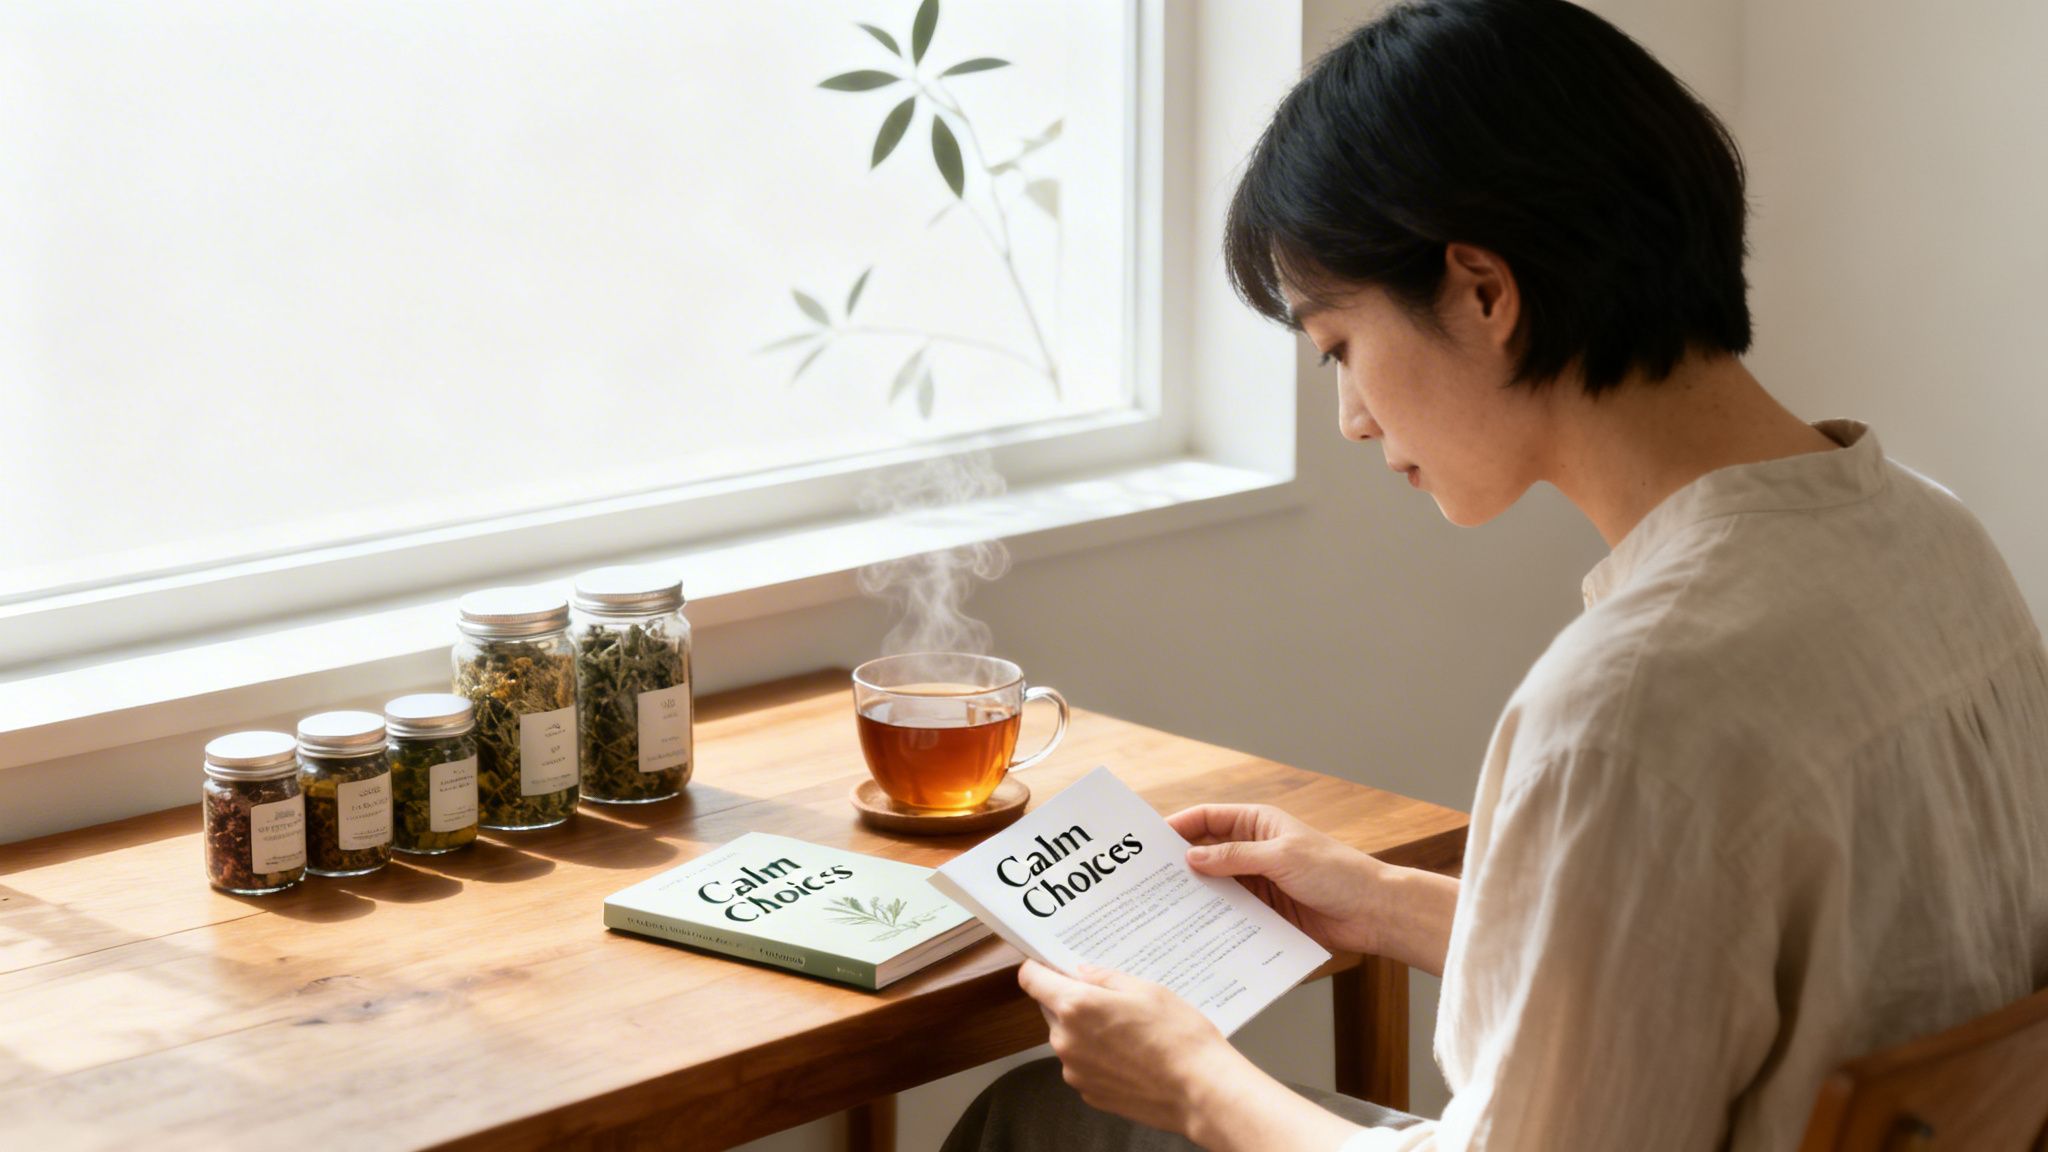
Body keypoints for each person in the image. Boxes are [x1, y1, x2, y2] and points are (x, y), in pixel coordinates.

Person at [941, 1, 2048, 1150]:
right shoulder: (1931, 540)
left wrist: (1190, 1082)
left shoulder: (1628, 711)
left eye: (1337, 347)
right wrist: (1389, 904)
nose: (1351, 419)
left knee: (1033, 1122)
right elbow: (1716, 972)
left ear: (1481, 290)